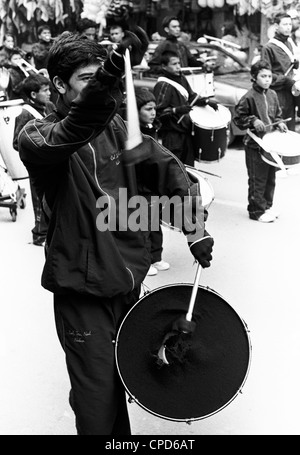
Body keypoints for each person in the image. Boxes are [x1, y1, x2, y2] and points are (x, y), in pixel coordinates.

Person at [17, 30, 214, 435]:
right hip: (81, 291)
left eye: (104, 78)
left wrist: (194, 229)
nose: (102, 89)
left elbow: (169, 170)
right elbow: (75, 127)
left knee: (125, 381)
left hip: (128, 282)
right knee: (95, 397)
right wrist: (109, 80)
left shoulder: (121, 128)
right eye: (89, 80)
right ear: (58, 84)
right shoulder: (37, 137)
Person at [233, 59, 288, 223]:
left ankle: (267, 206)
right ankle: (256, 210)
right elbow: (238, 118)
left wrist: (280, 123)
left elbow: (277, 115)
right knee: (258, 178)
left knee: (271, 177)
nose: (267, 80)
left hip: (270, 144)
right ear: (254, 77)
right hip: (254, 145)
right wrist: (252, 120)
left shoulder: (272, 94)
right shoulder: (248, 97)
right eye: (263, 76)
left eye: (269, 76)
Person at [153, 50, 218, 166]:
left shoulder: (181, 78)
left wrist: (206, 101)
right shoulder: (163, 85)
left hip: (186, 132)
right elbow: (157, 113)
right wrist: (176, 110)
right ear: (164, 66)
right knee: (174, 170)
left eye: (179, 63)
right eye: (174, 64)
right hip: (172, 136)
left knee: (188, 169)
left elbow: (192, 97)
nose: (178, 67)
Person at [13, 73, 55, 246]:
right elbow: (17, 142)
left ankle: (52, 231)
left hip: (53, 162)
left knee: (53, 199)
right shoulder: (25, 113)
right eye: (45, 91)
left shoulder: (50, 107)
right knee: (39, 200)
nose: (49, 93)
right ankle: (40, 235)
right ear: (33, 95)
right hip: (38, 165)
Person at [135, 86, 169, 277]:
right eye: (148, 109)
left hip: (152, 185)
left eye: (154, 108)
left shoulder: (152, 128)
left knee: (155, 223)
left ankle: (156, 256)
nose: (153, 113)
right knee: (142, 226)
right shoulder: (131, 131)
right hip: (139, 186)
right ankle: (144, 261)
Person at [260, 12, 300, 131]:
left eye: (289, 24)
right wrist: (285, 79)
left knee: (290, 128)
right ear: (276, 26)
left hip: (290, 93)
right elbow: (265, 75)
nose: (288, 27)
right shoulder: (268, 48)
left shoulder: (289, 43)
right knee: (278, 130)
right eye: (284, 24)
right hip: (277, 94)